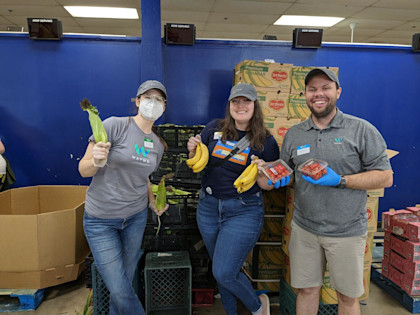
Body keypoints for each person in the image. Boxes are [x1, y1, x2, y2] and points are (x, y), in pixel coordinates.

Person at [277, 68, 393, 315]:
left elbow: (385, 176)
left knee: (347, 297)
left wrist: (340, 180)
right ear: (305, 95)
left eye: (325, 88)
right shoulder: (295, 134)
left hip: (346, 231)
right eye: (312, 89)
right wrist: (277, 177)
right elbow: (288, 173)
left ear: (338, 92)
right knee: (307, 290)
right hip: (304, 229)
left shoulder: (361, 130)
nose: (318, 94)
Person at [78, 80, 169, 315]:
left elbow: (144, 178)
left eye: (158, 99)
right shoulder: (115, 126)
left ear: (164, 107)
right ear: (138, 101)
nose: (153, 103)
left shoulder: (157, 146)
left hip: (135, 220)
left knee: (123, 285)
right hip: (101, 220)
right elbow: (83, 169)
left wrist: (151, 201)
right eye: (148, 97)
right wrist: (96, 161)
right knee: (119, 288)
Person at [187, 83, 279, 315]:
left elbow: (267, 186)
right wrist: (192, 150)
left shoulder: (266, 142)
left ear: (254, 106)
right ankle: (231, 312)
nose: (241, 106)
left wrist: (263, 170)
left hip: (243, 211)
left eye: (246, 101)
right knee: (222, 270)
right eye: (235, 101)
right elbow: (198, 165)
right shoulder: (213, 129)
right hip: (207, 208)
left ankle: (259, 308)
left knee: (224, 272)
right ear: (229, 105)